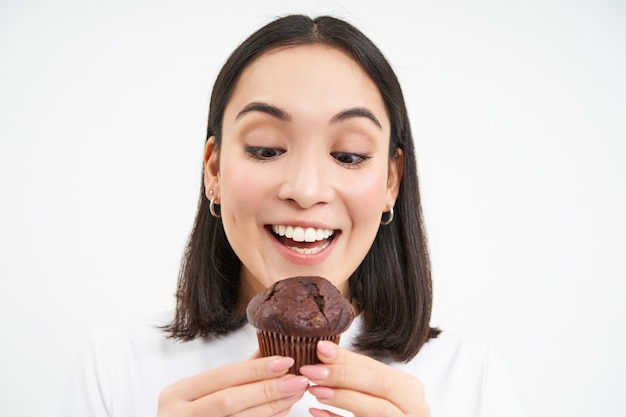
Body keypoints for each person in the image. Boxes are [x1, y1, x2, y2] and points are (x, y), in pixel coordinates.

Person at [60, 15, 525, 417]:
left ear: (391, 182)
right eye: (265, 149)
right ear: (215, 170)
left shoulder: (471, 378)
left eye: (347, 155)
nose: (305, 191)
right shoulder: (117, 365)